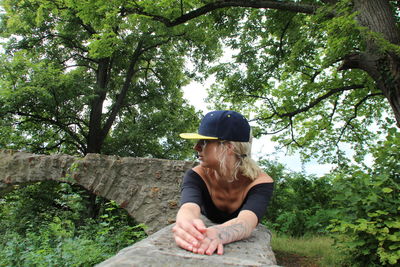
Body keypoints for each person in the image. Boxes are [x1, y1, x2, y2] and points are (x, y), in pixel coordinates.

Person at [173, 110, 274, 256]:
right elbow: (188, 208)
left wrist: (219, 233)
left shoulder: (260, 182)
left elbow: (246, 221)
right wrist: (186, 225)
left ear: (229, 147)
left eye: (205, 142)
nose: (196, 147)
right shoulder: (196, 175)